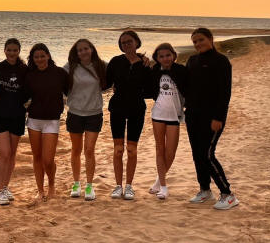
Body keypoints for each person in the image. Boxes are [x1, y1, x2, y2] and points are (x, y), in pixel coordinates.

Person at [185, 28, 239, 209]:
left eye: (201, 40)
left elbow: (225, 93)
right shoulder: (192, 60)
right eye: (194, 42)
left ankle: (228, 194)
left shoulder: (221, 61)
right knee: (197, 154)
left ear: (210, 39)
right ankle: (205, 190)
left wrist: (218, 117)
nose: (198, 44)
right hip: (192, 115)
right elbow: (184, 84)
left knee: (207, 155)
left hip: (212, 118)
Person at [105, 30, 150, 200]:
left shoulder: (145, 64)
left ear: (136, 42)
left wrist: (137, 93)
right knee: (118, 150)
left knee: (131, 150)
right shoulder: (115, 61)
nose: (126, 45)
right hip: (117, 108)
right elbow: (105, 83)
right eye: (123, 43)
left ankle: (129, 186)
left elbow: (151, 88)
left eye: (129, 41)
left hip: (137, 109)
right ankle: (118, 186)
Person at [23, 43, 69, 204]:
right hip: (34, 120)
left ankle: (51, 185)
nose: (40, 59)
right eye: (36, 57)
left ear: (48, 56)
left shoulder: (59, 73)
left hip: (52, 121)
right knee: (37, 157)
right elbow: (22, 96)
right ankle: (40, 190)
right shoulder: (30, 75)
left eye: (42, 56)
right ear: (33, 59)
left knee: (48, 160)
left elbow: (71, 91)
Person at [64, 39, 108, 202]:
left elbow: (119, 69)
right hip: (75, 113)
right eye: (80, 50)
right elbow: (54, 77)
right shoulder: (70, 67)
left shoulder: (102, 65)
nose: (83, 52)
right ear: (76, 53)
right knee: (76, 149)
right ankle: (76, 184)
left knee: (89, 150)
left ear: (92, 49)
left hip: (94, 113)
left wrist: (141, 59)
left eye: (86, 48)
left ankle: (89, 185)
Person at [0, 38, 28, 205]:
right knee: (4, 153)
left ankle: (5, 187)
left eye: (15, 50)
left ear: (19, 51)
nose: (12, 53)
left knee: (12, 154)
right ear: (4, 50)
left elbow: (31, 90)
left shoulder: (24, 70)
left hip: (17, 115)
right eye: (9, 50)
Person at [147, 43, 187, 200]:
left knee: (170, 152)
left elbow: (190, 90)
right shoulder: (154, 71)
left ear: (174, 55)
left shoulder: (181, 70)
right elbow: (147, 87)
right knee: (160, 149)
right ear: (157, 58)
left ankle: (158, 180)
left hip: (175, 116)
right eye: (161, 56)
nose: (165, 59)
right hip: (158, 114)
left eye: (168, 55)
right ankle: (163, 187)